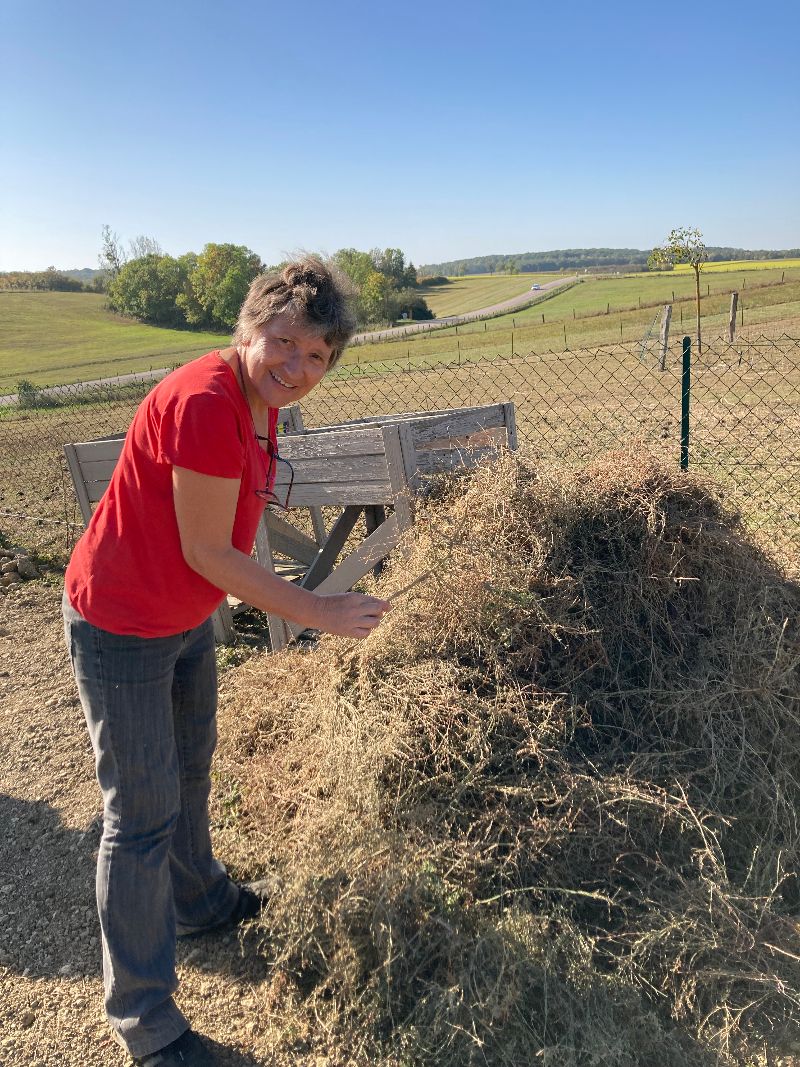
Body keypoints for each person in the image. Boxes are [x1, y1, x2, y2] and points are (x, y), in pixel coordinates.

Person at [62, 257, 390, 1066]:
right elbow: (210, 549)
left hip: (180, 617)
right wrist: (320, 611)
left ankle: (202, 900)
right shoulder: (208, 401)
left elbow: (224, 539)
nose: (298, 367)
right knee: (138, 816)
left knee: (193, 768)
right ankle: (144, 1019)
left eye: (318, 356)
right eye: (284, 343)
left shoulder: (259, 401)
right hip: (122, 620)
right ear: (249, 331)